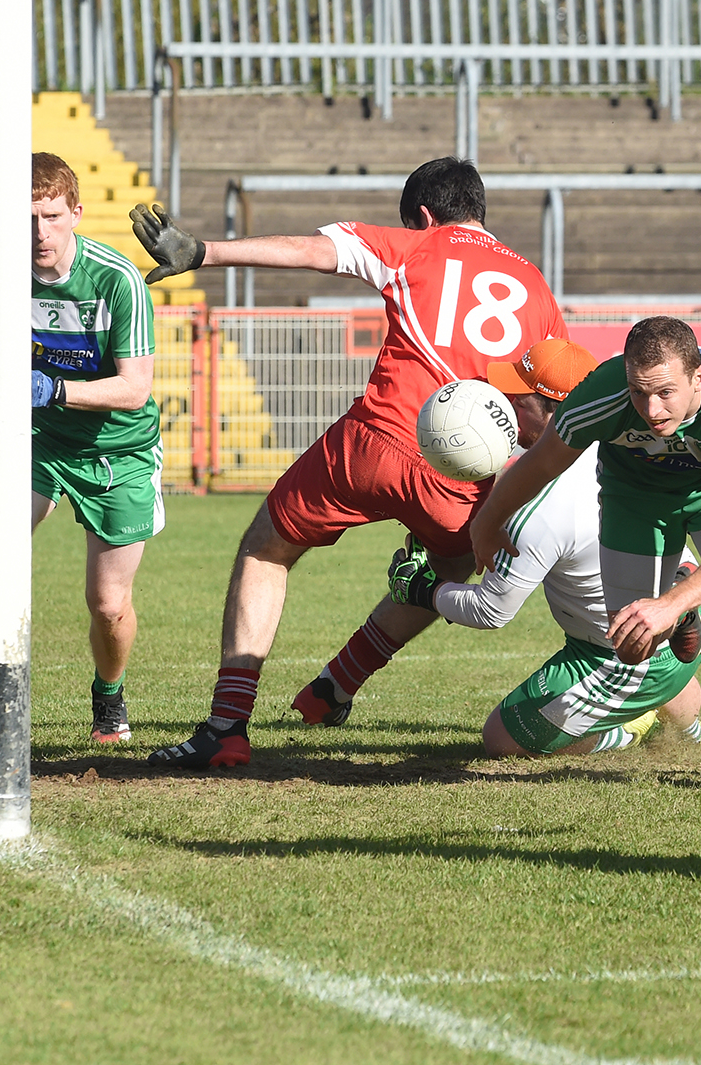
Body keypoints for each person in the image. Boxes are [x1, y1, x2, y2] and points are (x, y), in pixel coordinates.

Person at [129, 158, 562, 769]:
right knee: (452, 561)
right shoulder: (535, 286)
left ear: (423, 215)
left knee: (265, 550)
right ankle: (339, 683)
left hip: (376, 443)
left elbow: (309, 250)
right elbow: (544, 412)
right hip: (460, 477)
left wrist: (204, 252)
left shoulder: (411, 245)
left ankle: (227, 725)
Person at [471, 316, 701, 777]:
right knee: (631, 646)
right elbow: (541, 461)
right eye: (638, 392)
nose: (651, 408)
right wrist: (486, 520)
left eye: (665, 392)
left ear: (698, 377)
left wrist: (669, 603)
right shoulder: (603, 393)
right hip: (637, 500)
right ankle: (686, 612)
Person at [358, 337, 701, 757]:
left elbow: (491, 610)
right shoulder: (635, 446)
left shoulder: (541, 504)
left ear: (555, 409)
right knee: (653, 645)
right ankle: (688, 729)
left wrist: (422, 589)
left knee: (501, 739)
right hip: (690, 606)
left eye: (521, 397)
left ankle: (629, 730)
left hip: (628, 647)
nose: (507, 402)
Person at [0, 153, 162, 744]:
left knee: (108, 603)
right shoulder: (2, 271)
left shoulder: (116, 280)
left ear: (76, 213)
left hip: (118, 451)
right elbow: (3, 355)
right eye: (26, 218)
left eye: (50, 215)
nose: (39, 232)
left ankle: (109, 694)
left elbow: (135, 387)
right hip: (38, 442)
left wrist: (55, 388)